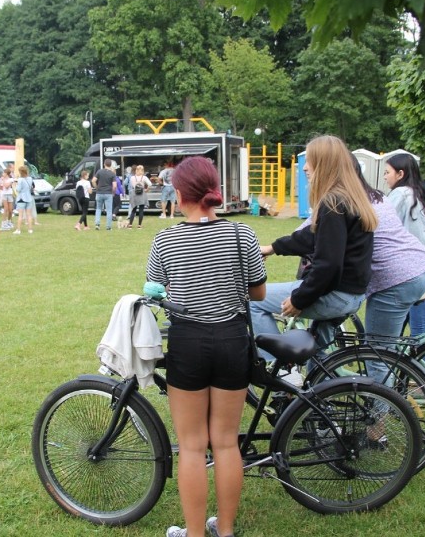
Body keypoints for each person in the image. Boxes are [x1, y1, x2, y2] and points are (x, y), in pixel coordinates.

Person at [146, 155, 266, 537]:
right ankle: (225, 531)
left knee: (193, 446)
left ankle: (195, 533)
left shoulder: (165, 239)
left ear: (179, 193)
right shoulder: (241, 234)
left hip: (188, 342)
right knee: (227, 444)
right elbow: (258, 291)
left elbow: (158, 289)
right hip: (232, 340)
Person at [249, 135, 376, 349]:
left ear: (325, 164)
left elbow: (328, 264)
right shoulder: (350, 198)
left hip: (337, 294)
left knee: (252, 300)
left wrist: (300, 299)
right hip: (352, 293)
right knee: (316, 356)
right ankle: (322, 380)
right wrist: (273, 248)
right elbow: (311, 235)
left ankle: (276, 368)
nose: (305, 168)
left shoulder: (333, 203)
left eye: (310, 161)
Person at [383, 153, 425, 337]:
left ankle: (422, 367)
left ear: (400, 174)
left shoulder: (401, 193)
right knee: (402, 327)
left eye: (387, 172)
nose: (385, 176)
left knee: (420, 332)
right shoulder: (417, 191)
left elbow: (381, 223)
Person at [92, 158, 117, 230]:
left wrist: (96, 187)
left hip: (99, 193)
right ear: (110, 165)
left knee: (98, 209)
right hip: (108, 193)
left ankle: (97, 224)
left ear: (104, 164)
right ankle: (108, 227)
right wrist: (113, 192)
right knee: (109, 210)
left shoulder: (99, 172)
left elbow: (93, 181)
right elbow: (114, 186)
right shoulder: (112, 174)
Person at [127, 164, 151, 229]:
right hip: (142, 193)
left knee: (133, 210)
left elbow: (132, 185)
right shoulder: (144, 177)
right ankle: (139, 225)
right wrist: (147, 189)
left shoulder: (132, 177)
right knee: (141, 210)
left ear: (136, 170)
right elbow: (150, 184)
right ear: (142, 170)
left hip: (134, 193)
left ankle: (130, 225)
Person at [13, 165, 35, 234]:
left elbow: (18, 189)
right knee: (29, 215)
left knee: (20, 215)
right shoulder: (30, 179)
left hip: (21, 198)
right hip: (29, 198)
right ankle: (30, 229)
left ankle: (18, 230)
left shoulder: (20, 180)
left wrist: (15, 186)